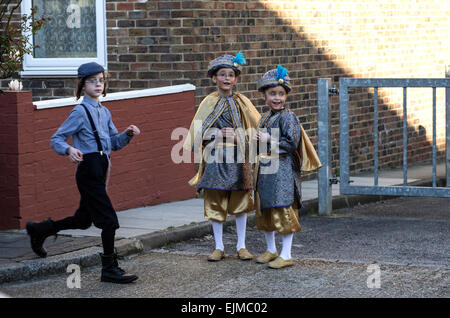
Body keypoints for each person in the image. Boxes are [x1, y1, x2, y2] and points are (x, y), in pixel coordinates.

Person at [26, 62, 140, 284]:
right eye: (92, 81)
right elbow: (56, 138)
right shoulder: (80, 111)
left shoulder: (104, 111)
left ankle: (39, 230)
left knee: (82, 220)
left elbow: (113, 144)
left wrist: (127, 134)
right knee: (109, 221)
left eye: (101, 80)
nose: (98, 84)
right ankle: (109, 268)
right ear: (82, 85)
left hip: (102, 166)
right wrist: (69, 149)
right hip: (88, 169)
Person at [183, 52, 261, 262]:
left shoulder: (243, 102)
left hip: (238, 158)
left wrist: (238, 137)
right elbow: (197, 133)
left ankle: (242, 246)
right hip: (215, 158)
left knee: (241, 200)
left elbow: (257, 129)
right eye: (222, 74)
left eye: (231, 75)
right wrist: (216, 134)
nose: (227, 78)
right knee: (215, 200)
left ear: (236, 79)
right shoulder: (208, 102)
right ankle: (218, 246)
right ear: (214, 78)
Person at [253, 65, 321, 269]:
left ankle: (287, 253)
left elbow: (291, 143)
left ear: (286, 96)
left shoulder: (288, 117)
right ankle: (271, 249)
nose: (277, 98)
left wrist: (267, 139)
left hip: (282, 171)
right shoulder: (265, 117)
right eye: (272, 94)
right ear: (264, 96)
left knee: (283, 209)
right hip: (265, 170)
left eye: (281, 94)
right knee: (266, 209)